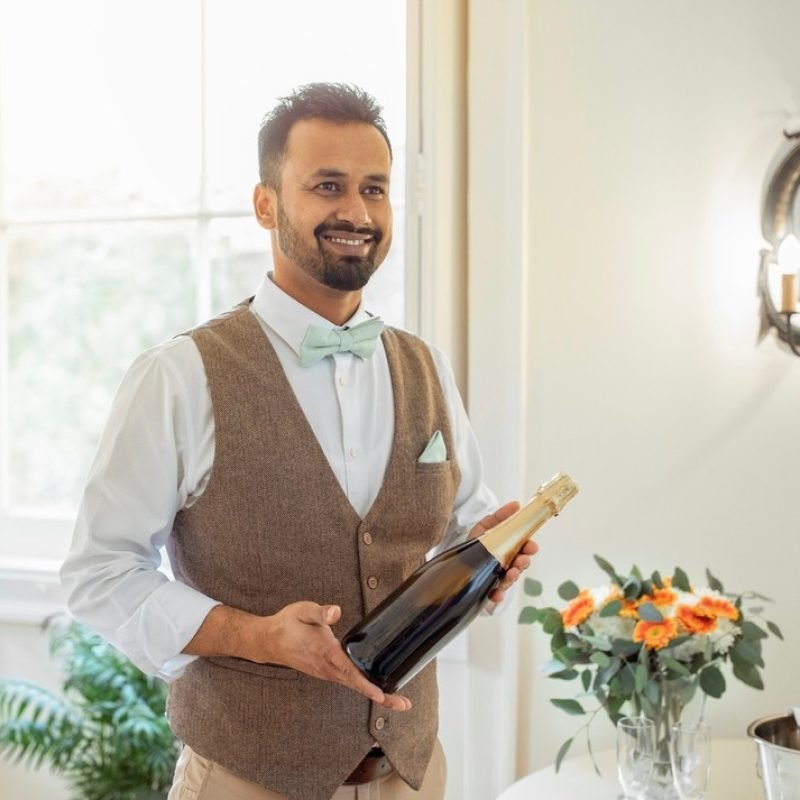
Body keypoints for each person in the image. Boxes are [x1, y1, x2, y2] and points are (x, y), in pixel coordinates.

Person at [60, 82, 537, 800]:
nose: (357, 213)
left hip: (411, 775)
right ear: (266, 204)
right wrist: (255, 637)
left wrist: (493, 555)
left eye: (374, 189)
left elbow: (460, 528)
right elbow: (99, 572)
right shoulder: (181, 375)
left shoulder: (426, 367)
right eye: (327, 186)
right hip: (246, 778)